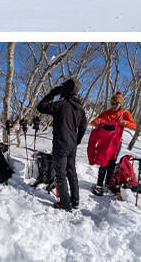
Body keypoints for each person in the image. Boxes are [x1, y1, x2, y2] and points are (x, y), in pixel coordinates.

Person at [37, 78, 87, 211]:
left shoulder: (62, 104)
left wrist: (52, 93)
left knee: (61, 174)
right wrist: (77, 141)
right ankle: (75, 201)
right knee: (72, 172)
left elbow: (40, 106)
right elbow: (83, 127)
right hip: (72, 143)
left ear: (66, 90)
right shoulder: (80, 108)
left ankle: (65, 204)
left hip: (61, 143)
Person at [88, 91, 136, 196]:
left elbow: (133, 125)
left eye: (116, 103)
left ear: (120, 104)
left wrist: (126, 123)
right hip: (105, 143)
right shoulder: (107, 113)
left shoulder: (125, 114)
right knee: (103, 163)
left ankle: (109, 183)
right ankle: (99, 185)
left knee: (111, 163)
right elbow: (94, 121)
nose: (114, 106)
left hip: (117, 144)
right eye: (112, 103)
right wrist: (96, 123)